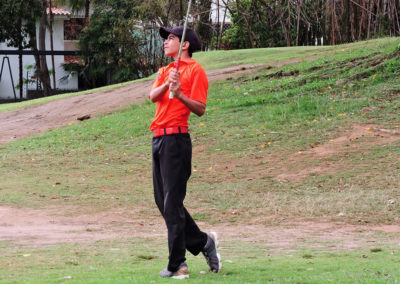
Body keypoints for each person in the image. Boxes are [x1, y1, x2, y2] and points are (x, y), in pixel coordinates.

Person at [148, 26, 222, 279]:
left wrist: (179, 93)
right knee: (164, 201)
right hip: (158, 139)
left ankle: (177, 264)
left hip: (177, 140)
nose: (166, 42)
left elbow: (200, 108)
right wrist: (167, 84)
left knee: (172, 203)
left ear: (185, 45)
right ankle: (203, 243)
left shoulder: (196, 71)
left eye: (171, 38)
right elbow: (152, 95)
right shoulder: (166, 70)